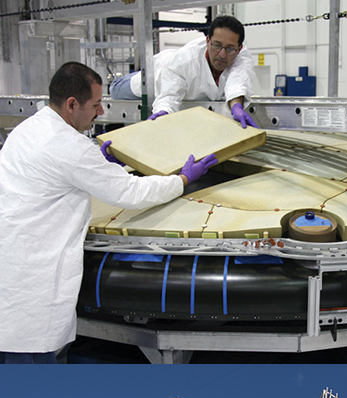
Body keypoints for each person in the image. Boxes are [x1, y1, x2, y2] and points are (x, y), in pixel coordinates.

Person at [0, 61, 216, 362]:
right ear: (72, 104)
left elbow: (54, 170)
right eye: (97, 104)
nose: (100, 112)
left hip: (11, 272)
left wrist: (93, 165)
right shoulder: (70, 148)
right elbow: (131, 192)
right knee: (33, 380)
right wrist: (182, 179)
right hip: (35, 287)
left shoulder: (27, 130)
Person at [110, 17, 257, 129]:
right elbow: (170, 94)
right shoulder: (185, 60)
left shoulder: (241, 55)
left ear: (239, 48)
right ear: (208, 40)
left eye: (230, 49)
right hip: (157, 75)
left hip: (181, 79)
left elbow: (239, 79)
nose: (223, 54)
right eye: (217, 45)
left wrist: (237, 106)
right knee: (115, 90)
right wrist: (163, 112)